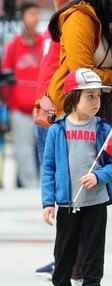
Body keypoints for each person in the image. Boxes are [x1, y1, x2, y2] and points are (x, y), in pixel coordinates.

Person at [34, 0, 112, 286]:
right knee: (73, 208)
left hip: (102, 112)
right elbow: (82, 76)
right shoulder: (79, 17)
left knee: (92, 207)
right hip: (73, 114)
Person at [31, 68, 112, 286]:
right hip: (67, 203)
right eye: (89, 96)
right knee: (63, 252)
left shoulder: (103, 128)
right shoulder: (58, 130)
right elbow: (48, 168)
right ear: (72, 98)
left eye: (98, 96)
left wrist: (99, 176)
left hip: (95, 203)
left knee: (92, 252)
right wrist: (48, 202)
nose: (96, 102)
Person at [1, 2, 43, 188]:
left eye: (36, 14)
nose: (34, 18)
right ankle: (30, 190)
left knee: (45, 151)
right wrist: (10, 104)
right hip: (19, 110)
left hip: (43, 109)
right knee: (23, 153)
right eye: (31, 14)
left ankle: (46, 191)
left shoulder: (45, 43)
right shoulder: (13, 46)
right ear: (23, 18)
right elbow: (5, 77)